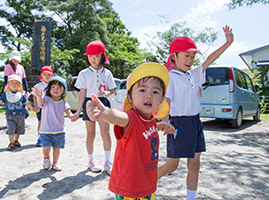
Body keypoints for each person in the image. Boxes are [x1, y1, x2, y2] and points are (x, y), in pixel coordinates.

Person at [158, 25, 234, 200]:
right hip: (178, 124)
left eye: (192, 56)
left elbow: (209, 59)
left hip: (195, 122)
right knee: (171, 166)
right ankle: (143, 187)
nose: (190, 59)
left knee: (194, 165)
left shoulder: (193, 75)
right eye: (186, 55)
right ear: (174, 56)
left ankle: (190, 198)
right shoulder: (170, 77)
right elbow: (166, 102)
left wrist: (227, 43)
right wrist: (165, 121)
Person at [86, 62, 176, 199]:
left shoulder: (150, 120)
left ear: (161, 100)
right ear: (130, 97)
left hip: (147, 184)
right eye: (142, 90)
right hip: (129, 188)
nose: (149, 95)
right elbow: (121, 118)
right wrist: (106, 113)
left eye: (155, 92)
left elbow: (143, 132)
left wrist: (159, 127)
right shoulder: (131, 117)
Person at [71, 40, 116, 174]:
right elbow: (82, 93)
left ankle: (108, 162)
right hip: (88, 103)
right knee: (91, 134)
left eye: (96, 56)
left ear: (102, 56)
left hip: (103, 103)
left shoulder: (107, 73)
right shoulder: (83, 73)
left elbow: (112, 89)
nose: (93, 59)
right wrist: (78, 111)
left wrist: (107, 93)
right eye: (90, 56)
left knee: (106, 133)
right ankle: (91, 161)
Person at [32, 76, 73, 171]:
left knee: (56, 149)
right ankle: (46, 159)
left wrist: (73, 116)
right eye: (53, 87)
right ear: (49, 89)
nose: (56, 89)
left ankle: (55, 163)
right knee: (46, 148)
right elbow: (41, 102)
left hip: (59, 131)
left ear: (64, 90)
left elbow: (69, 113)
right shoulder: (46, 99)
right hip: (45, 131)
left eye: (59, 87)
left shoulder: (63, 102)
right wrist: (38, 96)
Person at [0, 75, 35, 151]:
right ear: (8, 84)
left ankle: (16, 140)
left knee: (19, 130)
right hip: (10, 115)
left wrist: (33, 108)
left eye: (17, 83)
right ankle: (11, 142)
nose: (14, 84)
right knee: (11, 129)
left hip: (20, 115)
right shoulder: (6, 94)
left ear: (20, 85)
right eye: (12, 82)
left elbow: (27, 102)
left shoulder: (21, 94)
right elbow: (0, 101)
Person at [3, 50, 30, 127]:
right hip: (10, 88)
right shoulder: (8, 67)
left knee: (21, 104)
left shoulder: (21, 67)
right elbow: (6, 78)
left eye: (17, 60)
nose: (15, 61)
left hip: (19, 88)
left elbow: (23, 79)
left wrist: (26, 89)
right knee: (10, 105)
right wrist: (7, 88)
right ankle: (8, 121)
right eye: (14, 59)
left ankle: (23, 120)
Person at [32, 66, 54, 147]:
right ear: (41, 75)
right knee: (41, 122)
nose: (47, 76)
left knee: (51, 122)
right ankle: (40, 138)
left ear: (52, 75)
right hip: (41, 107)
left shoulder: (54, 85)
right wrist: (36, 106)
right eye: (45, 74)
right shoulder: (38, 85)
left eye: (49, 74)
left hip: (51, 108)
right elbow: (34, 96)